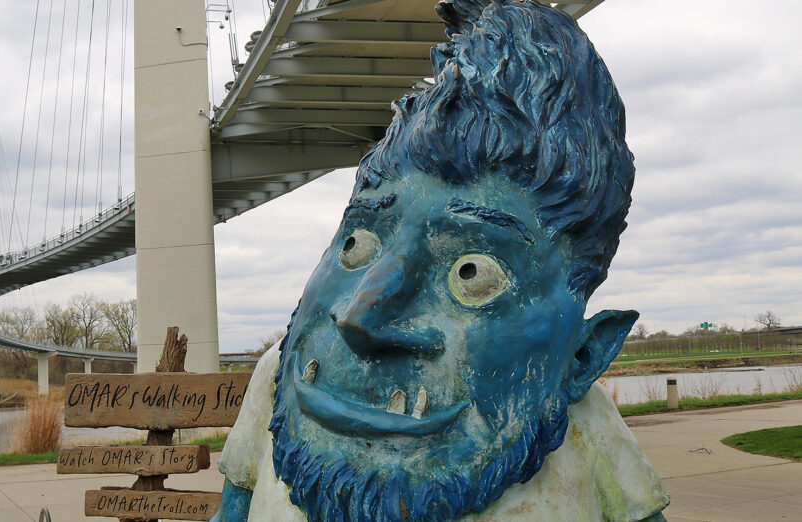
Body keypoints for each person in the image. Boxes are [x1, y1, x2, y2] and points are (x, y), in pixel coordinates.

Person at [212, 1, 668, 520]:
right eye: (355, 245)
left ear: (582, 359)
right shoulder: (281, 376)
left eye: (471, 273)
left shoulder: (583, 423)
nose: (360, 317)